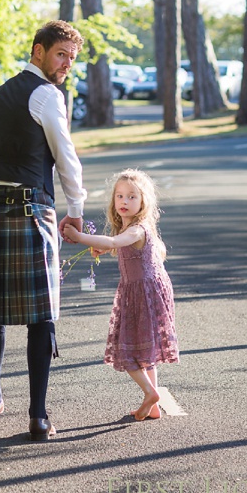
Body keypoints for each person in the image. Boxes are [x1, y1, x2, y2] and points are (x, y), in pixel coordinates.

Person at [0, 20, 86, 440]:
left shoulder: (1, 92)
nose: (66, 64)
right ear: (38, 51)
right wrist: (76, 209)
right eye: (61, 54)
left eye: (71, 58)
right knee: (40, 315)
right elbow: (66, 157)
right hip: (32, 211)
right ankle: (38, 414)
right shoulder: (48, 96)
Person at [63, 168, 178, 421]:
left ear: (144, 201)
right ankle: (154, 405)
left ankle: (151, 393)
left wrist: (79, 236)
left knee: (128, 350)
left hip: (142, 294)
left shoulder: (137, 229)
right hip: (144, 290)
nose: (125, 202)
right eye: (120, 196)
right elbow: (123, 248)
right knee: (145, 349)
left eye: (132, 197)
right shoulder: (131, 229)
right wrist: (104, 250)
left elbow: (117, 242)